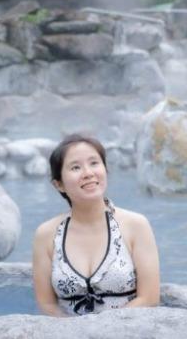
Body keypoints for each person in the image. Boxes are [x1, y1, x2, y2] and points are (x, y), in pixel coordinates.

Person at [32, 134, 160, 316]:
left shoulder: (136, 225)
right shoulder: (46, 234)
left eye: (94, 163)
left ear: (105, 170)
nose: (88, 173)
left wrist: (102, 333)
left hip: (128, 335)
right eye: (75, 167)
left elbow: (149, 298)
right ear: (59, 185)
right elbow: (47, 304)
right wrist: (75, 337)